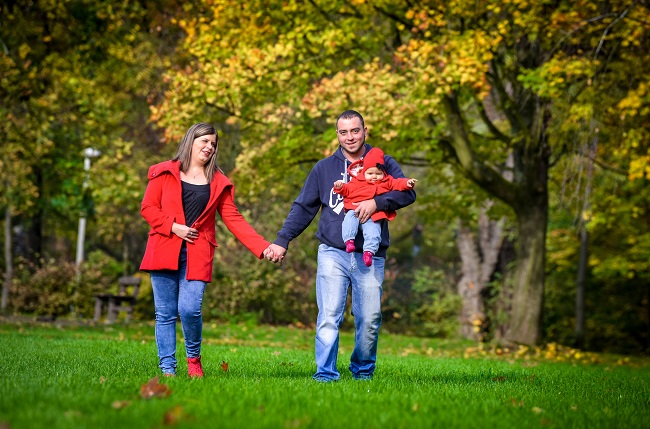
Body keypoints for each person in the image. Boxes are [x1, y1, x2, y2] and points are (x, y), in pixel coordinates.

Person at [266, 110, 416, 382]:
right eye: (344, 132)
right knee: (329, 317)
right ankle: (325, 374)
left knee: (369, 319)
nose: (350, 137)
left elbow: (407, 192)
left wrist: (376, 203)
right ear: (337, 134)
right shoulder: (324, 168)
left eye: (355, 131)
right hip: (333, 252)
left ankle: (362, 373)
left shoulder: (382, 162)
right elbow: (304, 207)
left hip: (371, 254)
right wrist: (282, 239)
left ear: (365, 131)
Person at [140, 122, 273, 378]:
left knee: (189, 309)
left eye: (213, 143)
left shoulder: (218, 182)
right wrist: (173, 227)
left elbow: (234, 220)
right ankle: (167, 368)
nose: (209, 147)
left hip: (197, 253)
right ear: (191, 141)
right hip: (163, 248)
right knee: (165, 313)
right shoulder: (164, 172)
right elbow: (148, 208)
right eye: (205, 141)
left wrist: (263, 247)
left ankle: (193, 359)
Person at [333, 146, 417, 267]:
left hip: (373, 215)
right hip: (355, 209)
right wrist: (340, 187)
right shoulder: (358, 181)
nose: (374, 176)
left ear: (383, 173)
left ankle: (369, 252)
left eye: (378, 174)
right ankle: (349, 241)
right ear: (364, 172)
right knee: (349, 220)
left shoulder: (387, 181)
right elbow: (347, 190)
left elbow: (398, 183)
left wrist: (407, 183)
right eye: (370, 173)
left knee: (374, 231)